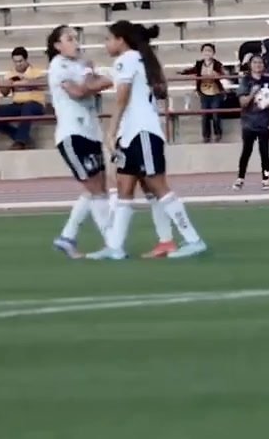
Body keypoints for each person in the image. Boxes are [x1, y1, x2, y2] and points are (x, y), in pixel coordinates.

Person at [87, 21, 207, 261]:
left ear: (121, 39)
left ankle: (193, 239)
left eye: (109, 39)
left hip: (141, 132)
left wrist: (109, 132)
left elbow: (122, 97)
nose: (106, 44)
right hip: (132, 134)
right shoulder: (138, 59)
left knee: (157, 186)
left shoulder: (127, 59)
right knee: (125, 187)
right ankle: (117, 246)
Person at [45, 25, 113, 258]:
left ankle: (67, 237)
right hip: (72, 134)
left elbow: (97, 83)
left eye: (76, 38)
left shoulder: (82, 64)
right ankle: (112, 242)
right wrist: (97, 81)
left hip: (91, 132)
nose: (75, 42)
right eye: (69, 38)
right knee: (96, 190)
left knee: (99, 188)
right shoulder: (58, 66)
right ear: (57, 45)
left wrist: (95, 80)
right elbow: (78, 92)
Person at [234, 54, 269, 190]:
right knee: (246, 151)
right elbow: (242, 103)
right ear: (250, 65)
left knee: (265, 152)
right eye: (255, 62)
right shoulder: (245, 81)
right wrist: (252, 94)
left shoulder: (268, 80)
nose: (258, 65)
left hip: (264, 121)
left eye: (260, 63)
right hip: (249, 122)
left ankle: (265, 179)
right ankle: (240, 178)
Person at [0, 46, 47, 150]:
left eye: (20, 61)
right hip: (18, 104)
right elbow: (4, 93)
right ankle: (22, 137)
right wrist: (5, 85)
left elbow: (43, 83)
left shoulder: (35, 71)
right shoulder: (10, 73)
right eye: (16, 61)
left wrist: (26, 82)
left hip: (36, 104)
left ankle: (20, 142)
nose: (18, 64)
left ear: (26, 60)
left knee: (27, 108)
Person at [181, 43, 227, 143]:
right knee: (205, 115)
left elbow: (223, 74)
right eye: (205, 51)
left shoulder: (217, 64)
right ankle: (206, 136)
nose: (207, 53)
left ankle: (218, 134)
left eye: (209, 51)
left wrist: (218, 75)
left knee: (215, 114)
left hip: (215, 93)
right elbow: (191, 71)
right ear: (202, 52)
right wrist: (181, 72)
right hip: (204, 92)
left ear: (213, 53)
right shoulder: (199, 64)